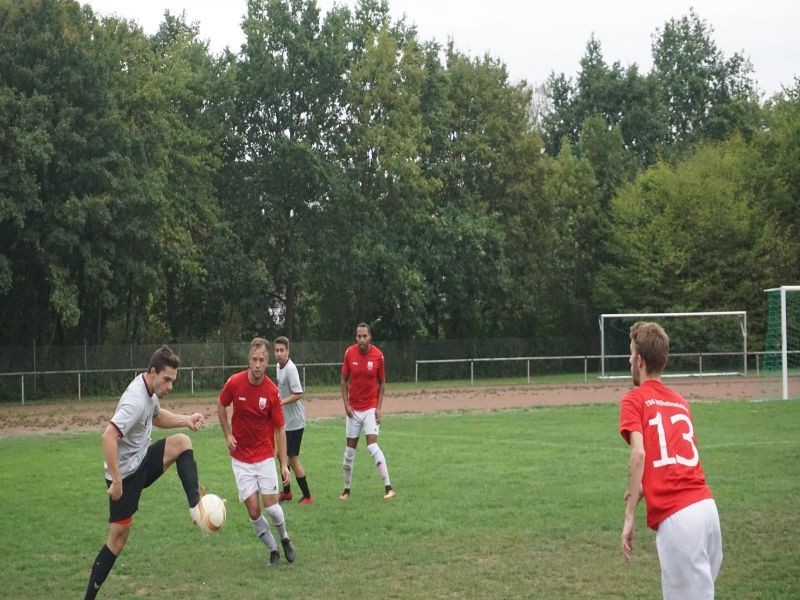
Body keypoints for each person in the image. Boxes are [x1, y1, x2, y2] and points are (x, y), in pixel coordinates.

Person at [84, 346, 206, 600]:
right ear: (153, 372)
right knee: (116, 541)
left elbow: (156, 416)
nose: (170, 386)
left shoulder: (149, 391)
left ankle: (196, 506)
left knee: (182, 442)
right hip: (125, 476)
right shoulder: (136, 399)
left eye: (173, 380)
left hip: (142, 461)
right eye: (167, 379)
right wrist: (116, 481)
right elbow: (108, 436)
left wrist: (186, 419)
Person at [619, 322, 722, 599]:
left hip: (679, 520)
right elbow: (672, 460)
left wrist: (629, 516)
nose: (629, 360)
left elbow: (639, 453)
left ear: (639, 361)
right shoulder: (680, 401)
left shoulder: (634, 399)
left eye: (631, 354)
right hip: (707, 510)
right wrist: (643, 489)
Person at [218, 337, 296, 566]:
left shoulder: (272, 391)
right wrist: (227, 434)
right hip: (241, 459)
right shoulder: (235, 383)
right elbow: (221, 404)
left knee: (272, 508)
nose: (258, 364)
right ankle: (272, 550)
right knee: (253, 511)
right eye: (254, 359)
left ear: (267, 361)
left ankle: (285, 538)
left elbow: (280, 429)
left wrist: (283, 464)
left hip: (263, 457)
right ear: (248, 360)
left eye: (262, 360)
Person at [339, 322, 394, 500]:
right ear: (356, 337)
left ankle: (389, 487)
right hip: (353, 410)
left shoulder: (378, 356)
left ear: (370, 336)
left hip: (370, 407)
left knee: (372, 446)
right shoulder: (349, 353)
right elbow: (343, 380)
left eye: (365, 336)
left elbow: (382, 383)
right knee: (349, 452)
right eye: (359, 336)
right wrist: (346, 405)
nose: (362, 339)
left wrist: (378, 408)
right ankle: (346, 490)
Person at [274, 336, 312, 504]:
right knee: (280, 455)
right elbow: (281, 388)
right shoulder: (277, 366)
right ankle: (287, 492)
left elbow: (299, 393)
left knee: (292, 458)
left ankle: (307, 496)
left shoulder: (291, 369)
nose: (279, 353)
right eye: (277, 350)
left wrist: (280, 401)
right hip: (285, 421)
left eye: (282, 350)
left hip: (295, 422)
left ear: (288, 351)